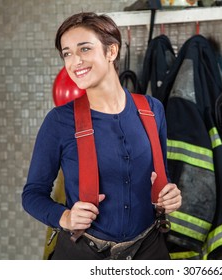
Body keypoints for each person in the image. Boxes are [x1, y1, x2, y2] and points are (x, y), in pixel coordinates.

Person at [22, 12, 182, 260]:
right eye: (67, 53)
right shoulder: (59, 121)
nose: (75, 61)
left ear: (111, 52)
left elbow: (160, 176)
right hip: (83, 254)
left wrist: (169, 195)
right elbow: (32, 194)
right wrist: (65, 217)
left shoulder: (153, 110)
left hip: (150, 250)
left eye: (84, 49)